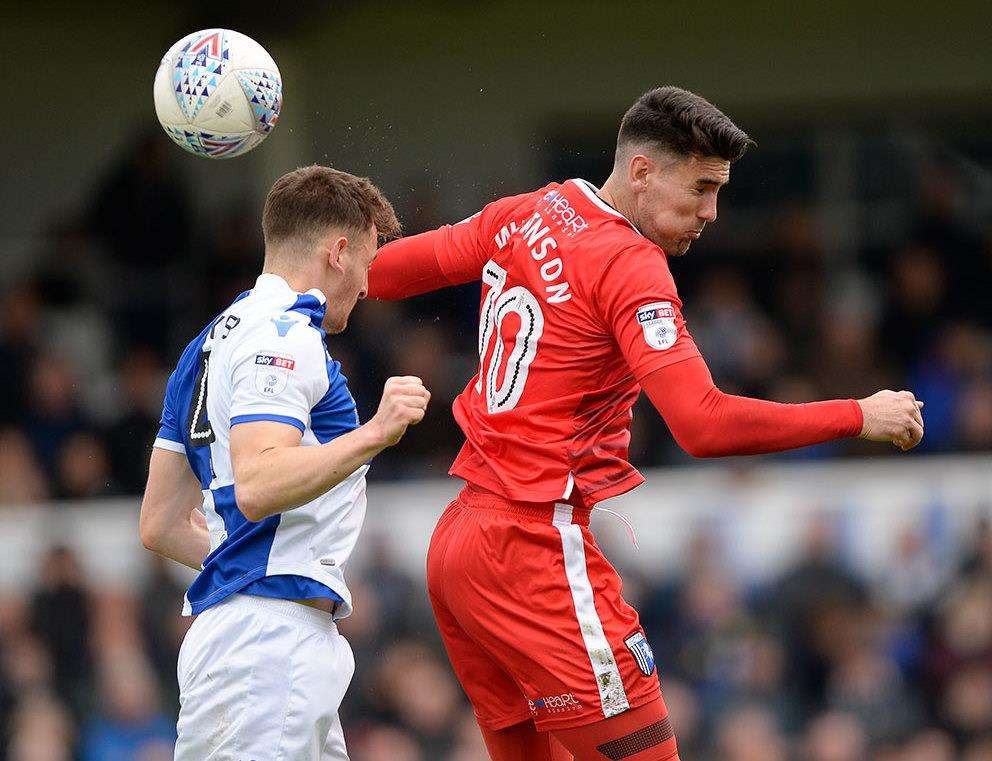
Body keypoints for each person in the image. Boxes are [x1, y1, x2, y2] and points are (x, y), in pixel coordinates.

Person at [366, 87, 924, 760]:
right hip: (534, 546)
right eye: (701, 188)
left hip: (459, 543)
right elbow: (703, 424)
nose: (712, 213)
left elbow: (380, 273)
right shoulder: (630, 264)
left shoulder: (526, 211)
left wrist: (285, 288)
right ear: (641, 172)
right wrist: (858, 414)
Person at [138, 165, 430, 760]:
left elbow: (161, 524)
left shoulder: (209, 343)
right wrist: (375, 432)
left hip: (261, 638)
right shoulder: (282, 335)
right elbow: (260, 480)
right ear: (339, 252)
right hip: (265, 648)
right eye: (369, 263)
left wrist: (275, 566)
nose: (368, 286)